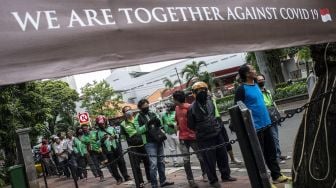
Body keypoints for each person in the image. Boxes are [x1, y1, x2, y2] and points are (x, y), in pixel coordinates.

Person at [234, 64, 291, 185]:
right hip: (255, 128)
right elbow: (238, 109)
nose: (255, 71)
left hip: (267, 124)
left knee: (271, 152)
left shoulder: (255, 85)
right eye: (252, 70)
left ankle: (277, 176)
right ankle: (264, 181)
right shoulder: (241, 89)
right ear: (246, 74)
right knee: (260, 156)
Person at [188, 82, 236, 188]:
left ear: (206, 91)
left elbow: (213, 115)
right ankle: (213, 180)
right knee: (209, 161)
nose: (201, 92)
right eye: (198, 91)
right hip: (204, 138)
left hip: (217, 134)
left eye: (203, 90)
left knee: (223, 156)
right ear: (194, 93)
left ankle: (226, 175)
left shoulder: (210, 102)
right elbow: (191, 125)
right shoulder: (191, 108)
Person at [135, 99, 174, 188]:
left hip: (158, 139)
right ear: (140, 107)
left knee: (161, 162)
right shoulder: (138, 117)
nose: (146, 107)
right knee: (153, 164)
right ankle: (154, 184)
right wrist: (147, 125)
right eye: (144, 106)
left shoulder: (152, 113)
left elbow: (159, 123)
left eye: (147, 105)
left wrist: (158, 121)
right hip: (149, 142)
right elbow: (138, 131)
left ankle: (163, 181)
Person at [173, 90, 208, 188]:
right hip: (182, 138)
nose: (173, 101)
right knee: (186, 160)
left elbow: (197, 120)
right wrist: (177, 127)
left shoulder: (190, 107)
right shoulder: (176, 108)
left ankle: (205, 174)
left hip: (193, 137)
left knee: (200, 156)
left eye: (174, 99)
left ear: (177, 99)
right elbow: (177, 121)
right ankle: (190, 180)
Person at [256, 74, 291, 164]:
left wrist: (278, 112)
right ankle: (276, 157)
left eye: (262, 79)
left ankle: (278, 154)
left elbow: (273, 102)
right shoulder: (257, 92)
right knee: (273, 137)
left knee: (276, 137)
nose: (261, 81)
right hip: (266, 115)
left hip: (273, 114)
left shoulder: (267, 91)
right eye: (259, 80)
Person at [120, 106, 151, 188]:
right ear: (124, 114)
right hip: (133, 147)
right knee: (136, 166)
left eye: (129, 110)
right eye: (126, 111)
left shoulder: (138, 118)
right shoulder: (123, 124)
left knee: (147, 163)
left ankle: (150, 178)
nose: (129, 112)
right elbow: (122, 136)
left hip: (143, 144)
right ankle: (140, 182)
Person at [96, 115, 131, 185]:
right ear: (98, 124)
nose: (102, 124)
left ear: (105, 122)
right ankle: (118, 179)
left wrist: (114, 136)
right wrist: (103, 139)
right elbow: (97, 143)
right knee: (113, 166)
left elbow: (118, 135)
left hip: (116, 147)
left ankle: (126, 176)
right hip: (108, 150)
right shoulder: (98, 132)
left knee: (121, 162)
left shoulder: (111, 128)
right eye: (100, 124)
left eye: (103, 123)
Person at [162, 103, 181, 167]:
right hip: (168, 133)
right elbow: (162, 123)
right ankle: (175, 162)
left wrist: (173, 124)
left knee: (180, 146)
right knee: (172, 149)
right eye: (165, 107)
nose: (166, 108)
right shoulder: (164, 115)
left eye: (167, 107)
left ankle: (186, 159)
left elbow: (178, 123)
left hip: (176, 133)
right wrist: (164, 129)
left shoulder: (175, 113)